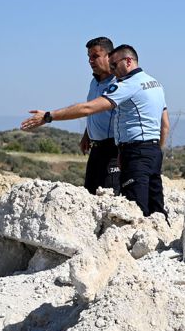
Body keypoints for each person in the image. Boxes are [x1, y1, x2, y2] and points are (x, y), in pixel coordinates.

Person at [21, 44, 170, 217]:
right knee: (156, 207)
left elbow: (87, 108)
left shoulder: (127, 85)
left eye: (114, 65)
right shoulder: (155, 84)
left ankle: (133, 243)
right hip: (149, 150)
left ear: (128, 61)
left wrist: (49, 116)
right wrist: (154, 151)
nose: (113, 70)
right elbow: (165, 125)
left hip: (133, 152)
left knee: (134, 210)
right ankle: (162, 242)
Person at [81, 37, 122, 195]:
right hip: (96, 149)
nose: (91, 61)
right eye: (89, 57)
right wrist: (87, 134)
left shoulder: (119, 83)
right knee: (90, 194)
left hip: (113, 149)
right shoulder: (94, 82)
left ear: (109, 56)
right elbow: (93, 110)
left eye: (95, 56)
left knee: (109, 196)